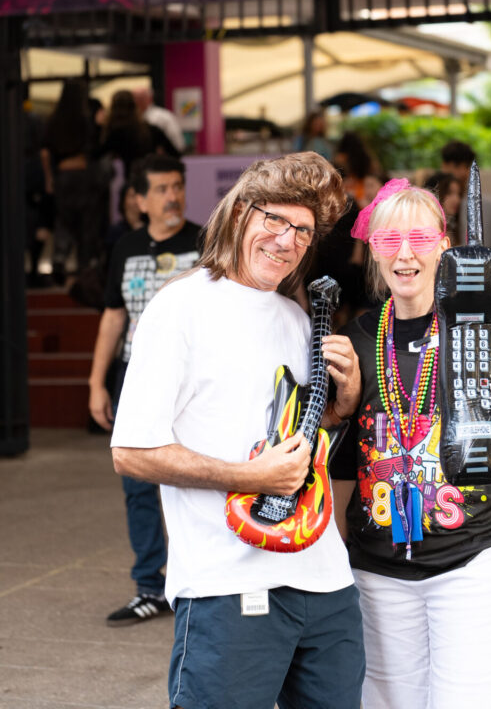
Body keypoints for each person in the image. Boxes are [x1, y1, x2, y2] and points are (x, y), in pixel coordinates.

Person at [110, 153, 366, 709]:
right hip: (227, 585)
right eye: (274, 219)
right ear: (239, 213)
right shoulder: (180, 306)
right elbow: (131, 451)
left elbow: (294, 432)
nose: (286, 240)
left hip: (325, 583)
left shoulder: (297, 317)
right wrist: (248, 476)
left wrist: (340, 407)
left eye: (302, 230)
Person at [332, 179, 491, 709]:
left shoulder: (480, 333)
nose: (404, 254)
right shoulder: (357, 339)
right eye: (389, 241)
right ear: (374, 252)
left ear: (442, 246)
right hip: (378, 572)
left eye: (418, 239)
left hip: (470, 565)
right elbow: (340, 464)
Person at [88, 154, 202, 625]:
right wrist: (96, 382)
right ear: (138, 199)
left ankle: (198, 582)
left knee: (200, 481)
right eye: (160, 189)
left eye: (177, 186)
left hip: (196, 382)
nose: (172, 196)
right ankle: (150, 588)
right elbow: (114, 315)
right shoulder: (126, 247)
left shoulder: (205, 241)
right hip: (136, 376)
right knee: (138, 488)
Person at [40, 79, 103, 286]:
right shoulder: (84, 119)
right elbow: (95, 147)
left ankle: (59, 261)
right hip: (83, 175)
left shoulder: (54, 119)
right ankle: (84, 267)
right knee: (86, 223)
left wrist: (49, 178)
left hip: (63, 175)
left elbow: (45, 152)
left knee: (63, 222)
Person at [97, 89, 179, 176]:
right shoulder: (149, 128)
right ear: (134, 105)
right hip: (152, 175)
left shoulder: (114, 133)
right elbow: (175, 152)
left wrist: (98, 126)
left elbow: (97, 153)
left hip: (132, 178)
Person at [440, 141, 491, 249]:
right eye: (456, 166)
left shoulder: (485, 206)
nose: (463, 172)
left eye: (466, 166)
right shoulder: (432, 205)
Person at [134, 85, 187, 154]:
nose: (137, 101)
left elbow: (178, 144)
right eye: (135, 98)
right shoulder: (131, 119)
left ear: (150, 98)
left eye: (141, 98)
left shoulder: (163, 117)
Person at [423, 170, 462, 245]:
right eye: (449, 193)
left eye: (459, 194)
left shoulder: (454, 227)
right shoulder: (426, 231)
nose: (457, 200)